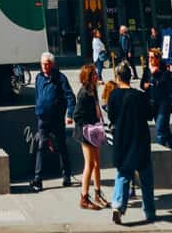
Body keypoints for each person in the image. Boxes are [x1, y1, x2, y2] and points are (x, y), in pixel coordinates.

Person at [107, 62, 156, 225]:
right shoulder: (140, 95)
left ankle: (117, 205)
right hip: (140, 139)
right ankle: (149, 211)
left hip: (122, 139)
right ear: (130, 76)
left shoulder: (113, 96)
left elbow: (112, 117)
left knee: (123, 174)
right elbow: (149, 115)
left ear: (118, 77)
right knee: (146, 177)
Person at [30, 52, 75, 193]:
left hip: (56, 118)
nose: (44, 66)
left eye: (47, 64)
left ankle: (66, 175)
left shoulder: (60, 78)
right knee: (41, 146)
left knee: (61, 146)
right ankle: (38, 178)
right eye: (42, 64)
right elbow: (37, 94)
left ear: (52, 64)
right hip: (43, 118)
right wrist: (38, 107)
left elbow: (70, 97)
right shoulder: (39, 78)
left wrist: (69, 114)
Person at [73, 63, 108, 210]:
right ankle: (84, 197)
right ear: (87, 78)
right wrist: (90, 126)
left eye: (95, 74)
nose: (96, 76)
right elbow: (77, 115)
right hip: (86, 133)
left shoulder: (93, 90)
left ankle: (98, 193)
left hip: (94, 130)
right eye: (93, 74)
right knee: (90, 164)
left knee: (97, 162)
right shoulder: (83, 94)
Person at [140, 47, 172, 158]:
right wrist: (145, 85)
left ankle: (160, 155)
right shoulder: (147, 70)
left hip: (164, 104)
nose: (150, 60)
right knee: (164, 128)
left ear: (158, 59)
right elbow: (142, 84)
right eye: (149, 57)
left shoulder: (164, 72)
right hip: (152, 104)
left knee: (159, 129)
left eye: (152, 57)